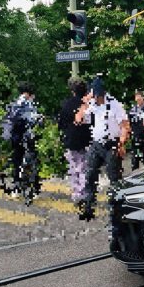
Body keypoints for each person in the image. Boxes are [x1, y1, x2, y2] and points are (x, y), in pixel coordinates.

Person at [75, 77, 129, 220]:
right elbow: (78, 119)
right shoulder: (91, 104)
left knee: (114, 177)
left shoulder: (115, 104)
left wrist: (121, 144)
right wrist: (85, 103)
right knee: (90, 174)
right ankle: (88, 207)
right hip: (96, 143)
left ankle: (118, 207)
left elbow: (124, 126)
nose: (97, 99)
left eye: (99, 96)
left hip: (112, 144)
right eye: (95, 95)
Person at [1, 82, 44, 199]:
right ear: (29, 93)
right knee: (32, 161)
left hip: (15, 136)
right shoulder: (27, 102)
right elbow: (31, 119)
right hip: (26, 136)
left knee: (17, 161)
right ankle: (34, 189)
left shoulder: (15, 102)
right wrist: (40, 119)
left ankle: (16, 188)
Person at [57, 78, 92, 206]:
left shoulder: (66, 104)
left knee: (74, 167)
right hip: (88, 139)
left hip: (71, 139)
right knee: (85, 167)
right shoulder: (89, 104)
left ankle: (77, 193)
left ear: (72, 90)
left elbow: (60, 123)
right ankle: (85, 193)